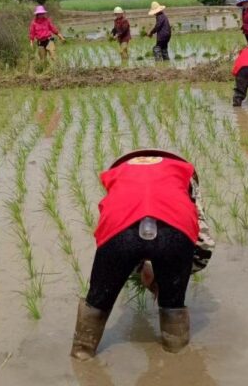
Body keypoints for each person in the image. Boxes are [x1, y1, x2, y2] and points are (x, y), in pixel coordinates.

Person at [71, 149, 214, 360]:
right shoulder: (184, 173)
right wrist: (171, 275)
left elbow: (110, 224)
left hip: (120, 231)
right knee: (173, 306)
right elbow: (204, 242)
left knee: (97, 302)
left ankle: (82, 356)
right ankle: (178, 363)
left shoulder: (118, 174)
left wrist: (141, 267)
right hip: (174, 231)